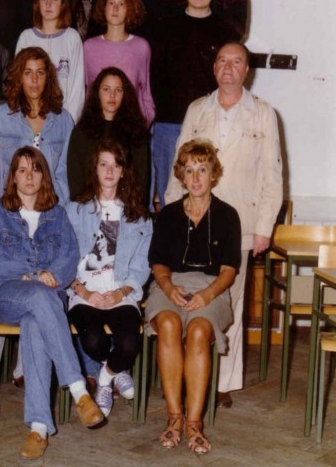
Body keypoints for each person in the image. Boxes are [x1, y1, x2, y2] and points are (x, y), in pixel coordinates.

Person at [165, 42, 283, 408]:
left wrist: (264, 227)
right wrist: (171, 215)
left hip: (241, 222)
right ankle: (187, 376)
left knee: (231, 301)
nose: (228, 67)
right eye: (221, 61)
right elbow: (178, 165)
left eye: (236, 62)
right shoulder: (198, 109)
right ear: (214, 67)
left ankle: (221, 383)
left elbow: (272, 174)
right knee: (190, 294)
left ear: (247, 70)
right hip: (194, 218)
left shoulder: (263, 114)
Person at [0, 147, 103, 460]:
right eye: (22, 170)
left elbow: (69, 257)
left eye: (35, 169)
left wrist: (53, 276)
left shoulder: (57, 215)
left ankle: (38, 429)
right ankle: (78, 389)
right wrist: (34, 274)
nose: (29, 176)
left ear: (44, 175)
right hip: (6, 294)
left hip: (47, 299)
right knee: (38, 295)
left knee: (35, 322)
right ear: (12, 177)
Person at [148, 139, 241, 455]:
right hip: (170, 283)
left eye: (202, 169)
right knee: (169, 324)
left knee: (199, 330)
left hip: (213, 287)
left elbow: (229, 270)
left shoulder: (227, 215)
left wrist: (207, 294)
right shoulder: (169, 214)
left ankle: (194, 424)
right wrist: (168, 288)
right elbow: (158, 263)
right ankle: (174, 417)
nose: (196, 177)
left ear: (213, 174)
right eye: (189, 170)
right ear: (181, 177)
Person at [66, 140, 152, 417]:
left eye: (116, 165)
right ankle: (116, 369)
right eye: (104, 164)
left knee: (129, 343)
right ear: (95, 168)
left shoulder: (139, 216)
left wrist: (121, 292)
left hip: (120, 293)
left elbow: (141, 266)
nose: (109, 171)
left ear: (124, 171)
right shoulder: (75, 210)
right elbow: (64, 259)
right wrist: (84, 292)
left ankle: (105, 380)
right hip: (84, 293)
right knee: (92, 340)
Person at [150, 0, 237, 211]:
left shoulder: (224, 31)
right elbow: (154, 76)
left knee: (209, 194)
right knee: (171, 196)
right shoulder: (165, 28)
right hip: (169, 125)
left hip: (209, 123)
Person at [0, 47, 72, 204]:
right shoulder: (1, 117)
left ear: (48, 77)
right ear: (19, 77)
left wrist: (60, 206)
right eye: (28, 73)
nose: (34, 80)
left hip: (51, 204)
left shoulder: (63, 120)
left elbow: (64, 172)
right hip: (11, 204)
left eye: (40, 73)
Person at [68, 68, 150, 202]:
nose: (112, 95)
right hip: (88, 207)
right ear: (97, 93)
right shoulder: (81, 133)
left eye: (118, 90)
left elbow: (141, 184)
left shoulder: (136, 134)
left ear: (125, 95)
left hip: (126, 206)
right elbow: (76, 183)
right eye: (106, 89)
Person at [84, 0, 155, 125]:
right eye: (111, 3)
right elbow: (86, 91)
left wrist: (144, 122)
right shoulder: (88, 47)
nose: (115, 8)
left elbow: (146, 92)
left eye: (121, 4)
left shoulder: (141, 47)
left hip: (131, 126)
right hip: (97, 125)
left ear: (130, 8)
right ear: (104, 7)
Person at [15, 0, 84, 122]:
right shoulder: (26, 37)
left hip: (62, 119)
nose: (48, 4)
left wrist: (68, 122)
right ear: (37, 3)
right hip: (30, 118)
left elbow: (77, 89)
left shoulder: (72, 38)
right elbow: (18, 82)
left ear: (63, 3)